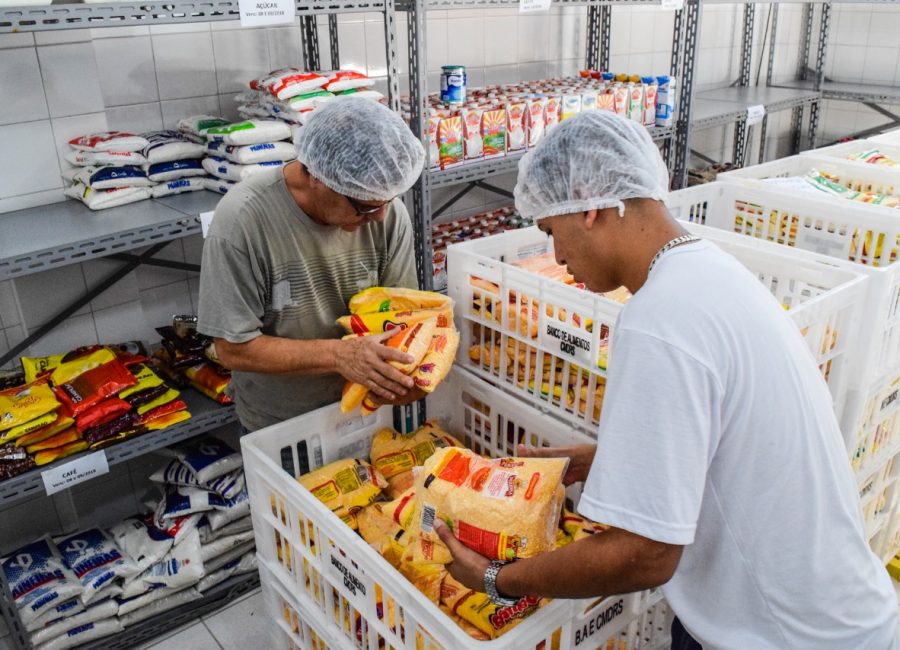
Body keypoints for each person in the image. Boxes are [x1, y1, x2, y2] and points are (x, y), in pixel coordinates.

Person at [433, 110, 899, 649]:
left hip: (783, 636)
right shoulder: (708, 273)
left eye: (550, 231)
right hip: (830, 617)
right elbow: (726, 450)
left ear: (587, 206)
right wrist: (597, 461)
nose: (557, 258)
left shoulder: (660, 319)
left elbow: (647, 555)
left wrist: (497, 580)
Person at [197, 98, 426, 433]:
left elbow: (405, 314)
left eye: (387, 202)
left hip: (367, 413)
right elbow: (234, 349)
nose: (380, 217)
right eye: (364, 206)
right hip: (284, 425)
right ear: (317, 177)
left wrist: (410, 372)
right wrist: (340, 356)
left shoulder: (386, 215)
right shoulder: (244, 220)